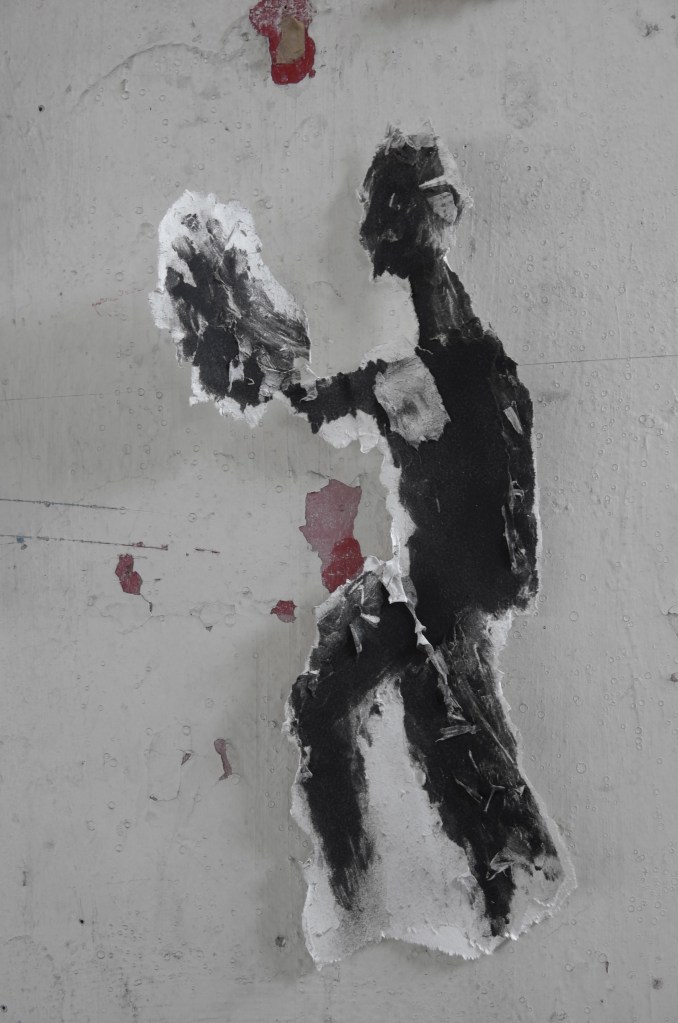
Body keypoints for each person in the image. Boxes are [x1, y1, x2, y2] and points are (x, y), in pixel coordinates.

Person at [152, 128, 573, 961]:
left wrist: (300, 370)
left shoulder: (448, 352)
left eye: (394, 213)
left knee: (461, 757)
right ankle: (361, 893)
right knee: (346, 710)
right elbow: (380, 396)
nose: (374, 234)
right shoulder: (444, 350)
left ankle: (411, 892)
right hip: (441, 591)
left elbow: (417, 396)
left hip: (446, 601)